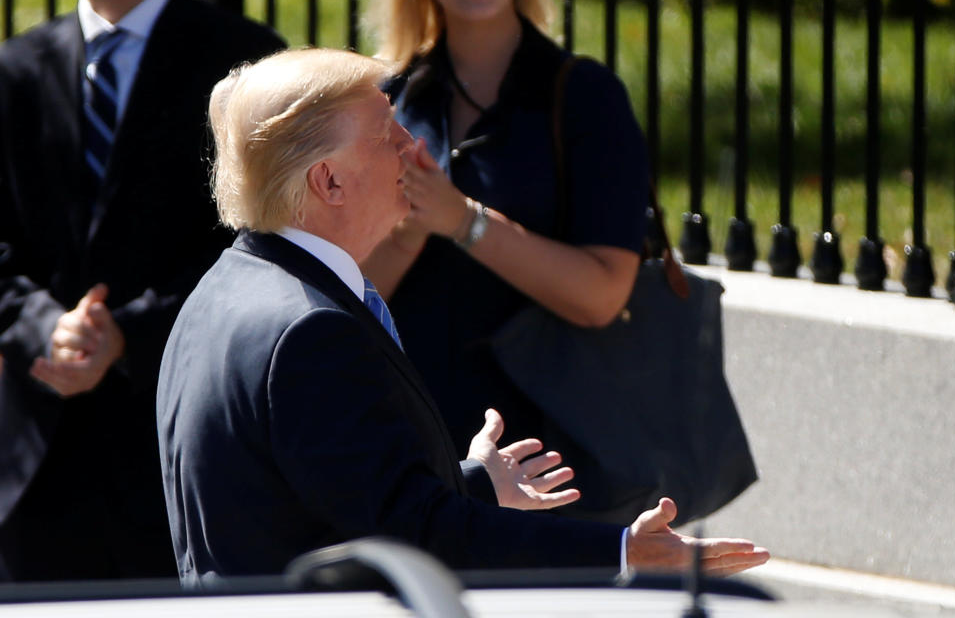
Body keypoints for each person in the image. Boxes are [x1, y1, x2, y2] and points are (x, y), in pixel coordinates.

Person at [156, 47, 769, 585]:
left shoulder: (226, 290)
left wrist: (474, 484)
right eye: (385, 133)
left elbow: (345, 499)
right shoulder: (311, 332)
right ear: (330, 182)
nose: (411, 147)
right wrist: (621, 550)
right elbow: (418, 539)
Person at [0, 0, 284, 581]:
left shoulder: (245, 58)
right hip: (34, 466)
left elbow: (258, 239)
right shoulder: (15, 67)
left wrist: (129, 334)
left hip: (181, 454)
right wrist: (43, 326)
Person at [360, 0, 650, 518]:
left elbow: (601, 295)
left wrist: (463, 220)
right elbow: (353, 298)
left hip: (557, 465)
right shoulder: (389, 96)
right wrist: (411, 227)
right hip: (416, 453)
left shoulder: (585, 95)